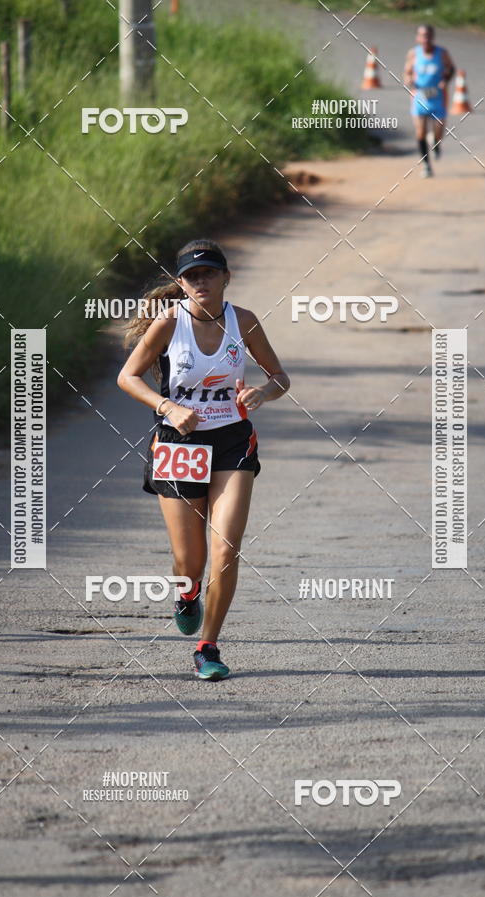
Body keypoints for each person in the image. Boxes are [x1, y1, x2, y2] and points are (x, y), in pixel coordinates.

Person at [117, 239, 290, 681]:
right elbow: (128, 376)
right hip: (179, 445)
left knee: (226, 550)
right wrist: (167, 407)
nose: (201, 282)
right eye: (192, 276)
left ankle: (207, 646)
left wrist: (262, 393)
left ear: (225, 277)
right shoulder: (169, 323)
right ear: (181, 283)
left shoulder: (243, 321)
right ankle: (187, 592)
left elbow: (279, 377)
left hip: (233, 442)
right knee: (189, 561)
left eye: (209, 273)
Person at [404, 24, 455, 178]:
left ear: (432, 37)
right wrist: (408, 80)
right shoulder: (413, 54)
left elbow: (451, 69)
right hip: (419, 97)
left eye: (428, 35)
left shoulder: (442, 53)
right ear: (417, 38)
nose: (425, 39)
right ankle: (426, 165)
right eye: (422, 35)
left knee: (438, 133)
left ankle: (436, 144)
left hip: (438, 98)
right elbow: (407, 72)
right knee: (420, 133)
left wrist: (445, 80)